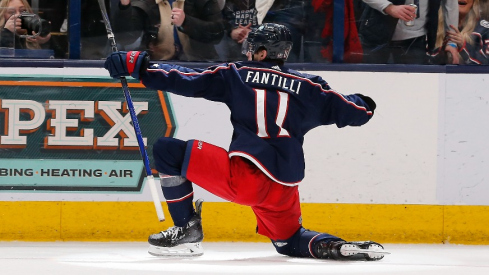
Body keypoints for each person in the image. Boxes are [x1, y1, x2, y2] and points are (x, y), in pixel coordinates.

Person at [104, 23, 387, 261]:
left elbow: (187, 79)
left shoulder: (236, 74)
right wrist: (365, 102)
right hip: (284, 187)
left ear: (262, 52)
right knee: (289, 241)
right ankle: (334, 246)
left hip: (245, 178)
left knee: (167, 150)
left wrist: (140, 67)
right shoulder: (311, 87)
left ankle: (186, 230)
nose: (247, 52)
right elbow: (358, 112)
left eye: (252, 48)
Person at [112, 0, 224, 61]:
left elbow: (217, 34)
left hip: (198, 66)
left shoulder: (203, 1)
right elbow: (126, 38)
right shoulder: (145, 2)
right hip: (157, 66)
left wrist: (186, 22)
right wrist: (125, 7)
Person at [359, 0, 458, 64]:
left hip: (416, 39)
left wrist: (452, 43)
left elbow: (451, 5)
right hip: (376, 34)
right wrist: (389, 7)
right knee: (373, 84)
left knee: (414, 87)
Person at [442, 0, 489, 64]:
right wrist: (442, 51)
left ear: (474, 1)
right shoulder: (434, 28)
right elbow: (427, 61)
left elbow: (486, 64)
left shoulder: (484, 30)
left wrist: (464, 46)